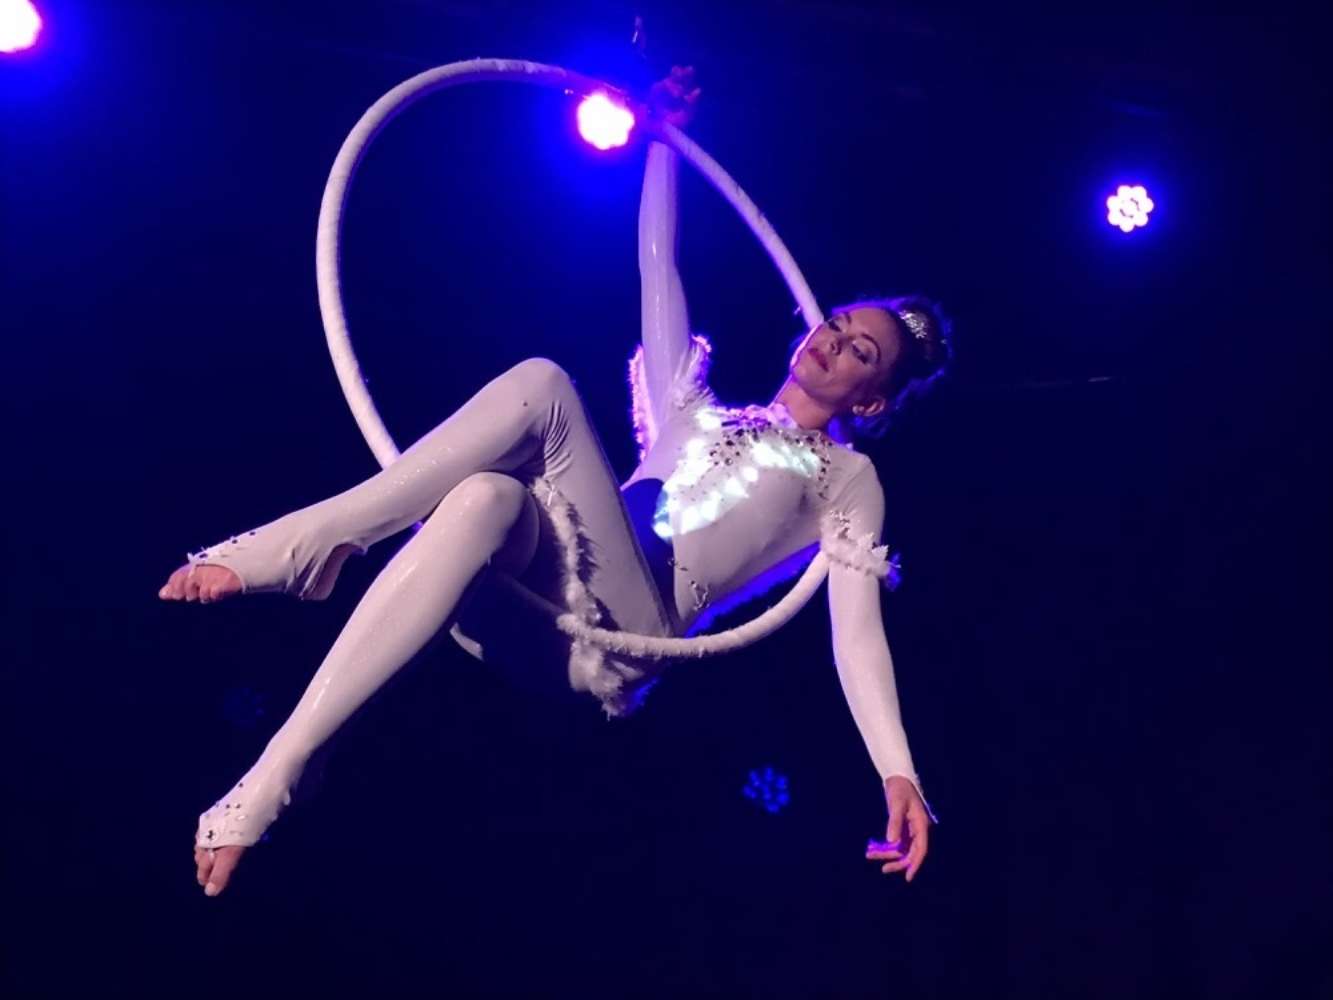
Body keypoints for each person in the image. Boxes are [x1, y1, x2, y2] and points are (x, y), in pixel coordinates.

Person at [161, 66, 949, 897]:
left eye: (860, 352)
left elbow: (855, 634)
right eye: (835, 324)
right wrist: (661, 147)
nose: (831, 342)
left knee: (542, 383)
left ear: (870, 397)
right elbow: (658, 271)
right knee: (484, 498)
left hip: (624, 630)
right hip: (520, 607)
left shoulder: (847, 477)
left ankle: (304, 547)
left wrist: (897, 772)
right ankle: (277, 770)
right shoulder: (689, 405)